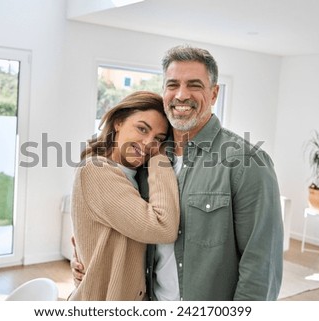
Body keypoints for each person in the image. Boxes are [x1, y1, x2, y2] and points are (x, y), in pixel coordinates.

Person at [72, 45, 284, 301]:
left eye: (194, 85)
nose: (182, 95)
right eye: (173, 85)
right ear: (164, 92)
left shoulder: (247, 163)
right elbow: (114, 228)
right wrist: (87, 260)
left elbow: (262, 268)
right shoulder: (146, 160)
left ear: (214, 93)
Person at [67, 91, 180, 301]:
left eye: (158, 139)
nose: (148, 143)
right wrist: (160, 158)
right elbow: (163, 227)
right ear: (118, 122)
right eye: (142, 128)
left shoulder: (134, 174)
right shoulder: (96, 170)